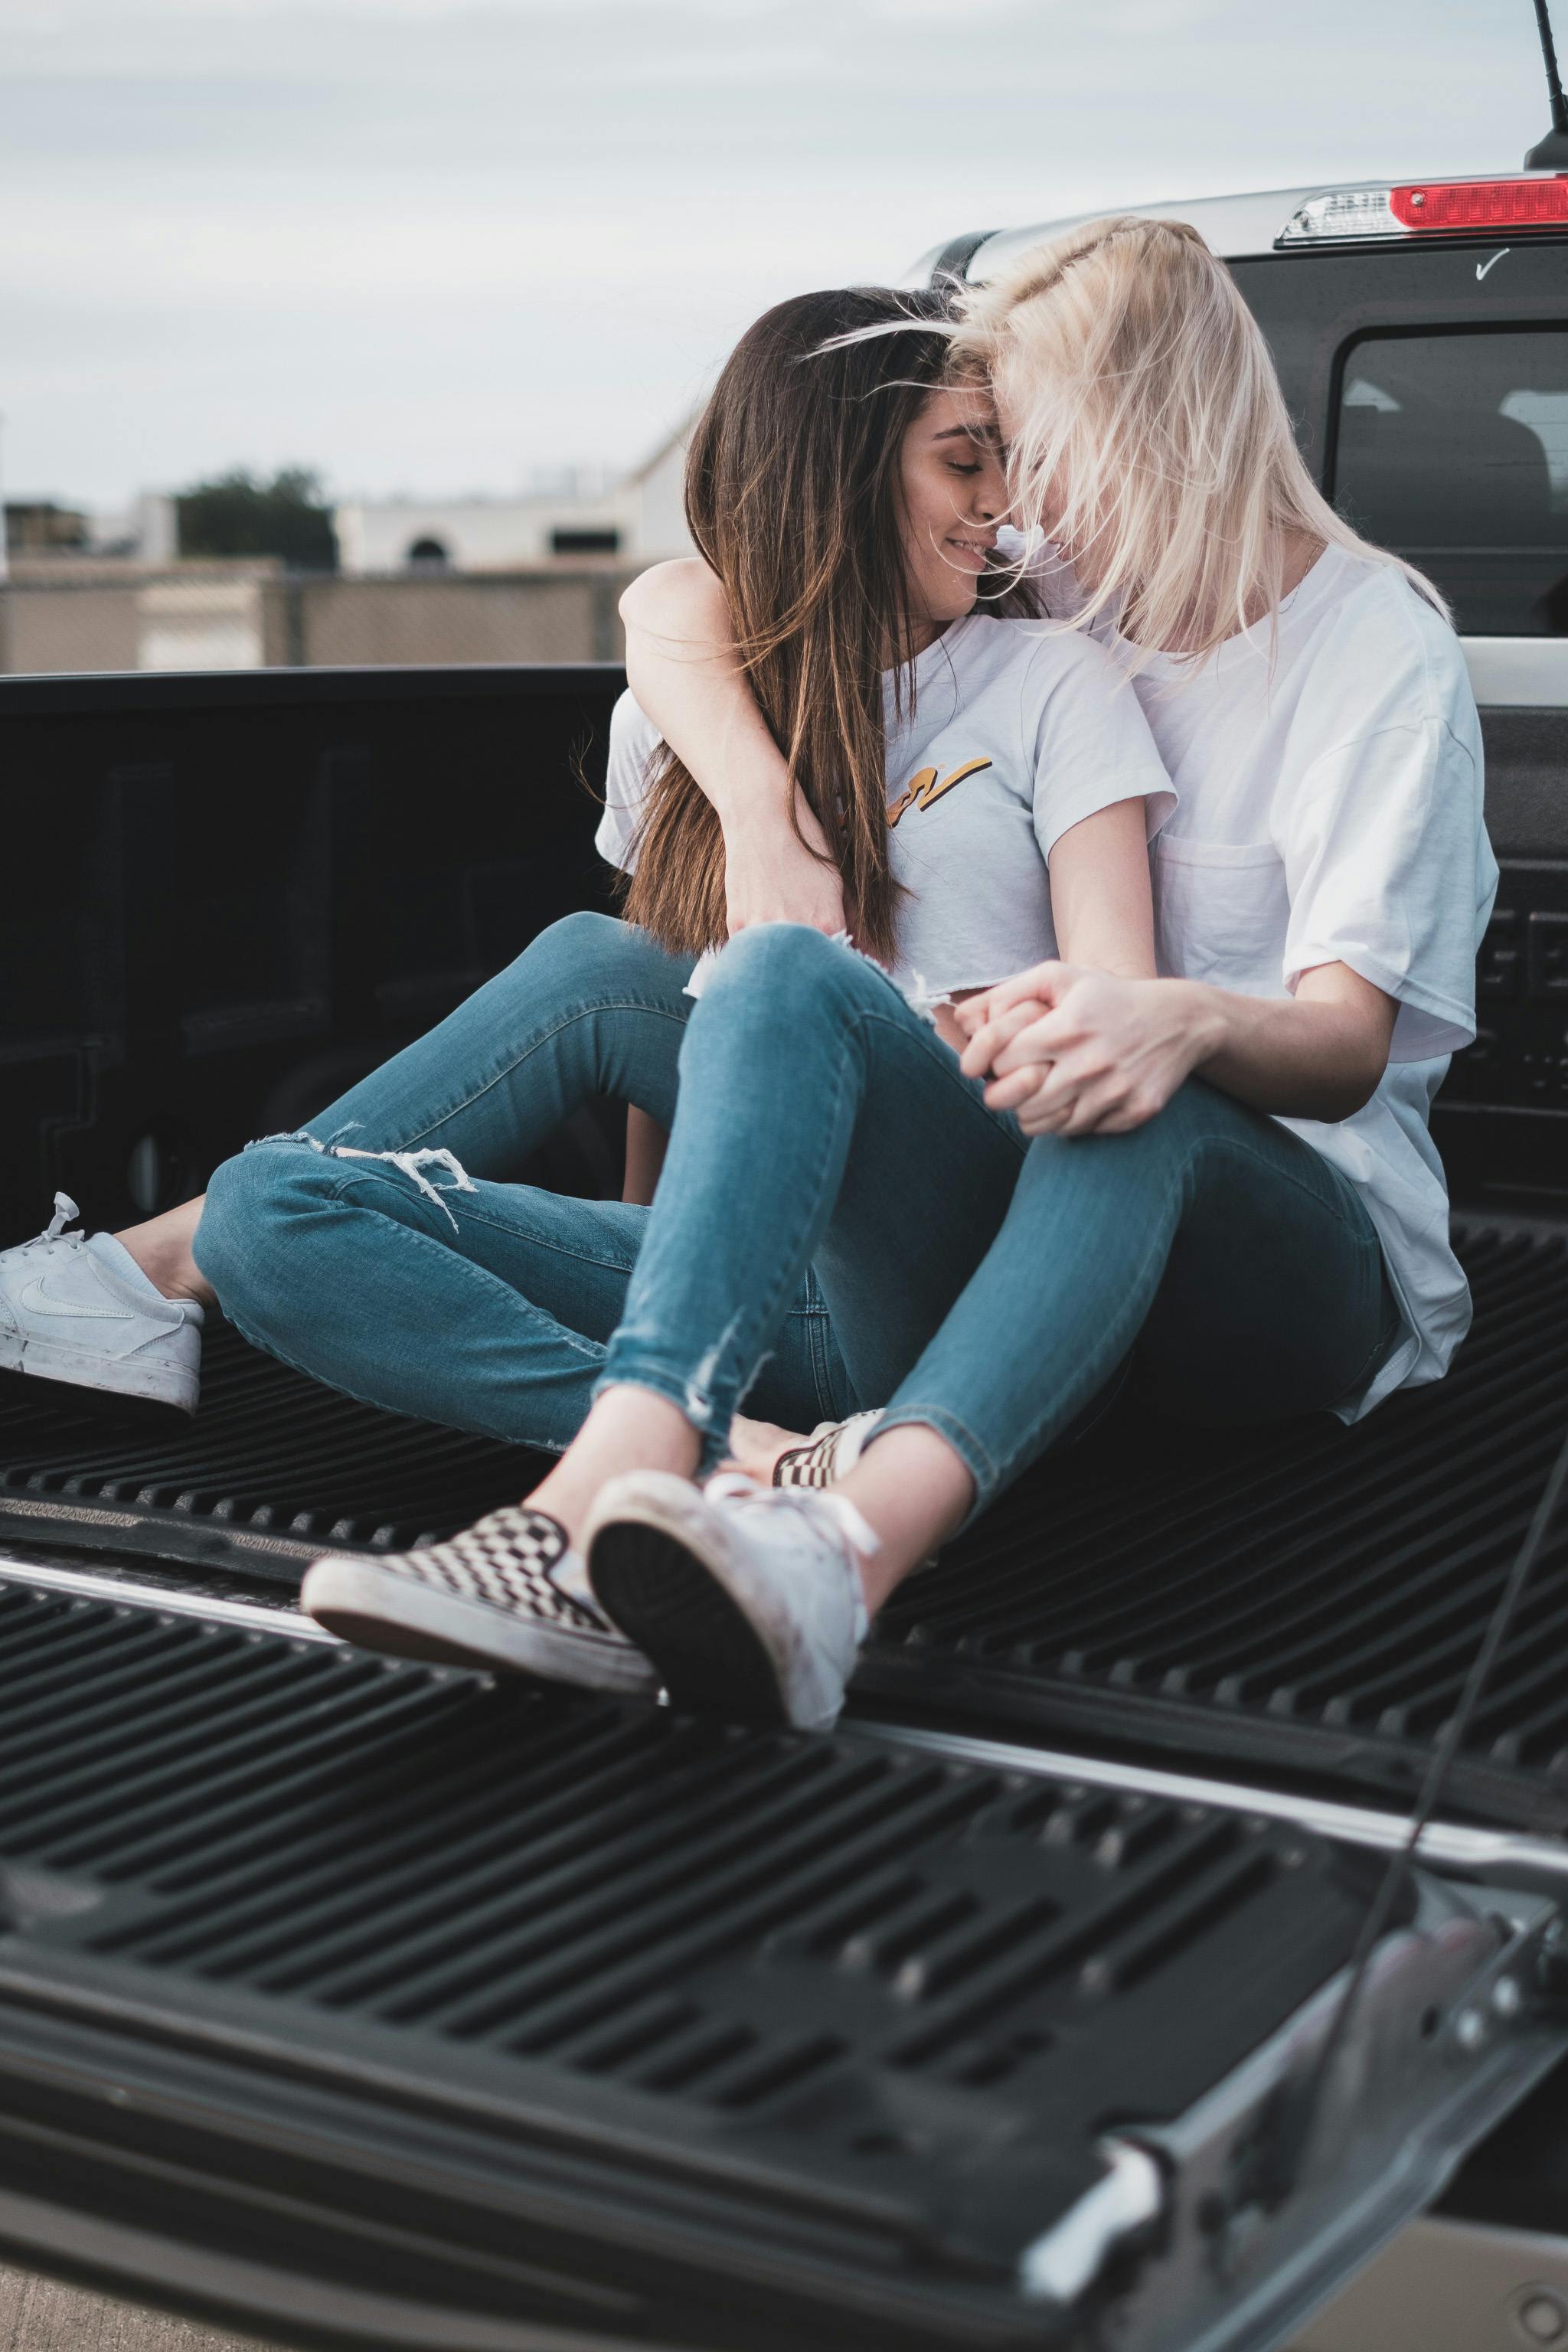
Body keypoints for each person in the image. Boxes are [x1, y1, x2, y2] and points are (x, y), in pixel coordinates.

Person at [341, 213, 1491, 1736]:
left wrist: (1175, 1014)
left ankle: (839, 1563)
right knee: (769, 980)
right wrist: (763, 810)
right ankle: (627, 1474)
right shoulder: (1066, 598)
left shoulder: (1375, 657)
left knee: (1123, 1089)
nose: (1011, 504)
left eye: (1036, 448)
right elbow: (686, 593)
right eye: (984, 455)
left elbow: (1344, 1049)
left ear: (1157, 433)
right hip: (1042, 1243)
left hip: (1303, 1261)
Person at [0, 281, 1168, 1694]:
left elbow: (1122, 1007)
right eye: (963, 458)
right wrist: (672, 1270)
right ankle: (753, 1457)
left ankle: (130, 1276)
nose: (999, 501)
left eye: (1003, 458)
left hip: (957, 1250)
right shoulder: (682, 715)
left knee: (607, 965)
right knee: (269, 1209)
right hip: (776, 1306)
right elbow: (676, 1054)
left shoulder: (1052, 682)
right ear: (838, 472)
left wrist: (983, 1027)